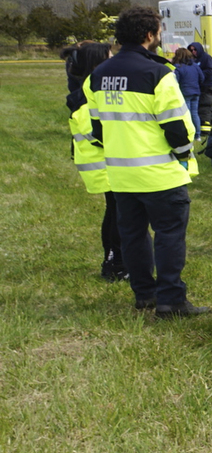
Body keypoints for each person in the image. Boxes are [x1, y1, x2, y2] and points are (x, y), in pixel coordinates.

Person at [84, 6, 209, 317]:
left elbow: (97, 129)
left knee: (133, 235)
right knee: (169, 235)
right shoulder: (158, 73)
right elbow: (177, 129)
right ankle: (171, 300)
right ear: (150, 35)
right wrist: (183, 156)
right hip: (160, 173)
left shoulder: (99, 74)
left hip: (120, 173)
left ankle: (145, 294)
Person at [67, 42, 125, 281]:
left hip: (102, 163)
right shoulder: (88, 93)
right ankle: (115, 264)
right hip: (104, 163)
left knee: (113, 212)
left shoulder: (87, 89)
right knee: (117, 214)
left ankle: (114, 260)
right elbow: (93, 131)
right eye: (109, 56)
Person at [172, 47, 204, 140]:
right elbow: (202, 78)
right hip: (196, 92)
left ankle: (189, 133)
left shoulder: (178, 67)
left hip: (185, 92)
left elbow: (175, 81)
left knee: (187, 114)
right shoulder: (195, 66)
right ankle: (197, 135)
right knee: (195, 113)